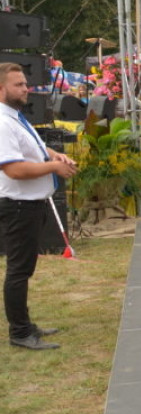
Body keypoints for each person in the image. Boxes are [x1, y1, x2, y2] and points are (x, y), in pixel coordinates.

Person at [0, 63, 78, 350]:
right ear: (2, 89)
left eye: (25, 83)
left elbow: (35, 147)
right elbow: (14, 169)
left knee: (25, 268)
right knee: (19, 271)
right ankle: (19, 332)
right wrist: (53, 168)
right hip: (19, 206)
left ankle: (26, 324)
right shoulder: (2, 122)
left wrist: (56, 155)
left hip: (31, 205)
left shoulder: (15, 117)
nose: (26, 88)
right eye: (18, 84)